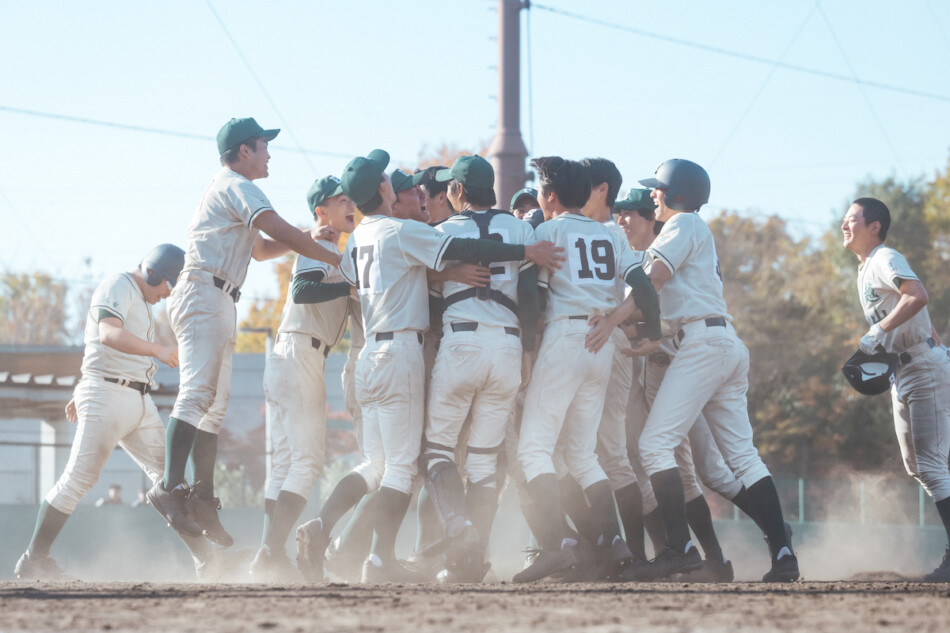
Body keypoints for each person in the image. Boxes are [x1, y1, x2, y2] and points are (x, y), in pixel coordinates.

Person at [297, 149, 562, 583]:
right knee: (404, 467)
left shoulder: (360, 238)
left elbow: (346, 279)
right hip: (403, 351)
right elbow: (464, 245)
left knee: (376, 466)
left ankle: (321, 527)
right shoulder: (400, 230)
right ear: (384, 189)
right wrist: (525, 248)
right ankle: (382, 561)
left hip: (368, 357)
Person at [589, 159, 798, 582]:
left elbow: (655, 280)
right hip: (717, 342)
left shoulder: (683, 223)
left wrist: (611, 320)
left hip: (702, 346)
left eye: (657, 189)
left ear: (677, 195)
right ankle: (783, 552)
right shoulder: (687, 229)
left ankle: (680, 550)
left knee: (653, 446)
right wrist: (649, 331)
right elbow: (671, 305)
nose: (652, 195)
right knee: (741, 457)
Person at [148, 118, 342, 548]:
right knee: (197, 396)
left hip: (218, 295)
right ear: (242, 152)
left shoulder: (233, 187)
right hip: (204, 292)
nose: (269, 152)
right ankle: (168, 488)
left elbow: (262, 248)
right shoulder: (235, 183)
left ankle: (201, 498)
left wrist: (306, 237)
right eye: (262, 145)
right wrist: (324, 250)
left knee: (213, 407)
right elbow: (278, 229)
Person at [14, 245, 229, 581]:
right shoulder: (118, 284)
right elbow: (107, 334)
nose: (167, 293)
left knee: (170, 482)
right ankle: (34, 558)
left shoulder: (143, 299)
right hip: (108, 394)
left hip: (138, 399)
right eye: (166, 284)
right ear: (152, 272)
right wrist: (156, 351)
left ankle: (208, 561)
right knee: (79, 478)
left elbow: (102, 349)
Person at [514, 156, 662, 583]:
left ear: (551, 196)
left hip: (564, 337)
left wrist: (527, 350)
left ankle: (556, 547)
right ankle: (614, 541)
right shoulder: (612, 234)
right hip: (601, 341)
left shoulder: (546, 230)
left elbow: (531, 297)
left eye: (542, 193)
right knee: (582, 454)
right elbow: (645, 288)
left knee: (534, 450)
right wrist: (649, 332)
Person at [422, 155, 540, 582]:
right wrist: (527, 351)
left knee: (437, 449)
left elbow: (427, 296)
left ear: (456, 191)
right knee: (484, 463)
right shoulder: (522, 229)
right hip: (508, 347)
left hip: (463, 342)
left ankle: (459, 527)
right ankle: (472, 566)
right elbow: (531, 298)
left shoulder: (444, 229)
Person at [251, 175, 356, 581]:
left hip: (289, 355)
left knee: (283, 465)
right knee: (306, 462)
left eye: (351, 199)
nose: (350, 205)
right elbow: (303, 291)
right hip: (300, 355)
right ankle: (271, 551)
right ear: (321, 212)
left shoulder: (326, 244)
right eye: (340, 200)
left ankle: (268, 554)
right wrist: (348, 282)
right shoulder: (323, 247)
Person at [842, 196, 950, 582]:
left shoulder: (885, 257)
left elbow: (918, 295)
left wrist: (880, 329)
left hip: (921, 367)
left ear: (875, 227)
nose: (844, 224)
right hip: (904, 371)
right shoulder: (865, 268)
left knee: (935, 466)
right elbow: (919, 313)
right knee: (919, 466)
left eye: (852, 218)